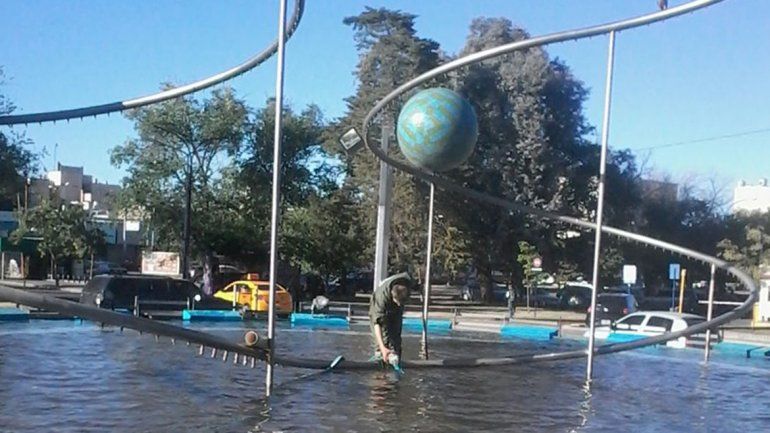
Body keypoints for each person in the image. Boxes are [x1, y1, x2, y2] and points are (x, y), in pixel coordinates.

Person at [369, 272, 413, 365]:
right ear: (392, 295)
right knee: (384, 334)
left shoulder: (407, 283)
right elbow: (377, 324)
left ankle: (395, 355)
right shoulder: (381, 298)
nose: (398, 305)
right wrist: (382, 347)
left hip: (395, 301)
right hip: (380, 305)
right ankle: (381, 354)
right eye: (397, 302)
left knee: (396, 331)